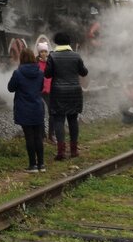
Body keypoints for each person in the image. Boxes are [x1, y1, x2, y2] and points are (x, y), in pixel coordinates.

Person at [44, 31, 88, 160]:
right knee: (73, 120)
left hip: (58, 92)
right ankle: (74, 150)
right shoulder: (76, 56)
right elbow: (84, 72)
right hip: (74, 91)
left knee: (59, 120)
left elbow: (47, 74)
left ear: (56, 42)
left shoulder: (52, 56)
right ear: (69, 42)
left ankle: (61, 152)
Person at [7, 47, 46, 172]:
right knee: (38, 136)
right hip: (37, 107)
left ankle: (32, 165)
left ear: (21, 58)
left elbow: (10, 88)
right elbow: (40, 88)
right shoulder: (40, 73)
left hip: (24, 108)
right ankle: (42, 164)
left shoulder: (18, 73)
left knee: (29, 137)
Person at [35, 38, 53, 143]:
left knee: (52, 113)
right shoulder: (36, 64)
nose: (43, 53)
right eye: (41, 51)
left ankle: (51, 134)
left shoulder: (51, 62)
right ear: (39, 53)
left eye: (45, 51)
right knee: (40, 112)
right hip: (40, 91)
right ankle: (42, 134)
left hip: (50, 90)